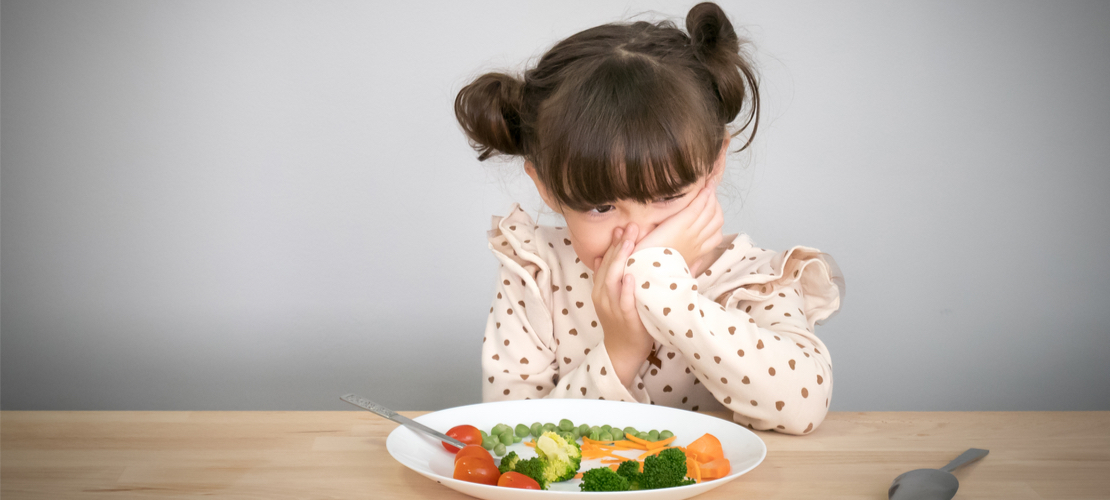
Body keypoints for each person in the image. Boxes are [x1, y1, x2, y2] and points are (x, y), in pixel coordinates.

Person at [454, 2, 844, 435]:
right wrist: (621, 351)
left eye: (668, 197)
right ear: (545, 186)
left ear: (715, 164)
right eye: (601, 207)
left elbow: (801, 407)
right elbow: (517, 437)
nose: (637, 236)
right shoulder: (536, 274)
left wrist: (668, 293)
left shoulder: (751, 280)